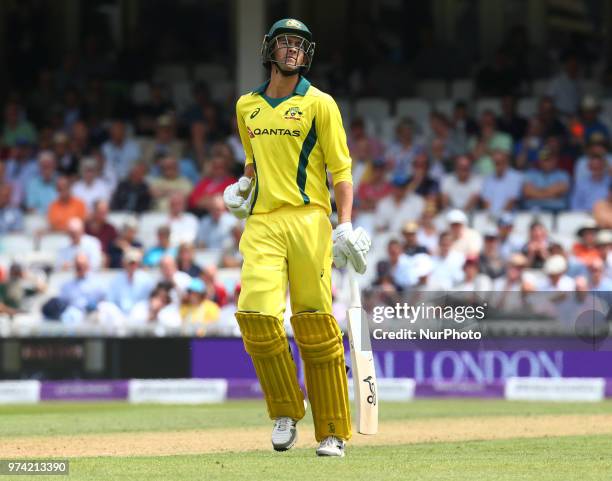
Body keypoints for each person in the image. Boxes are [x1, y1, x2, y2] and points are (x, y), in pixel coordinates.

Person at [222, 19, 371, 457]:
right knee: (256, 317)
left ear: (308, 56)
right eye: (285, 43)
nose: (293, 51)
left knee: (313, 324)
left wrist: (343, 223)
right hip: (263, 222)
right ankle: (286, 409)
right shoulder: (246, 105)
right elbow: (253, 164)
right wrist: (241, 188)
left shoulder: (320, 103)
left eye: (301, 46)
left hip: (309, 220)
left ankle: (331, 430)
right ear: (269, 49)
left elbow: (340, 170)